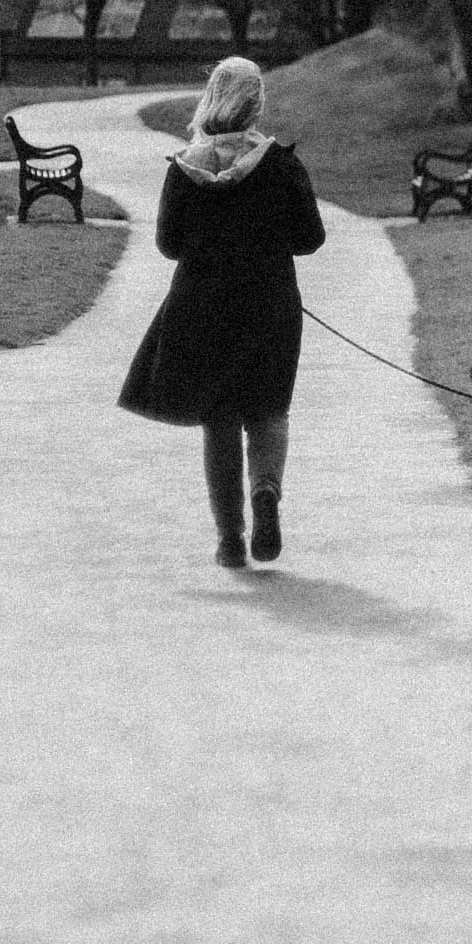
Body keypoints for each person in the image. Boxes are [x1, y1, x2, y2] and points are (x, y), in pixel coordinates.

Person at [117, 54, 327, 568]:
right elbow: (311, 238)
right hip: (270, 303)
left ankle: (230, 538)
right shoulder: (279, 165)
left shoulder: (185, 169)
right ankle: (266, 494)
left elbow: (169, 244)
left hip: (203, 307)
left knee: (220, 419)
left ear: (211, 98)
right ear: (256, 103)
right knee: (268, 409)